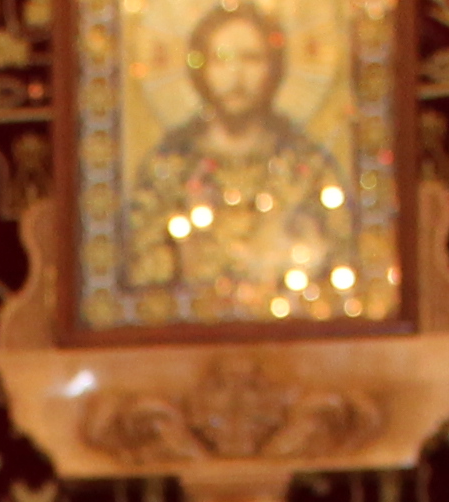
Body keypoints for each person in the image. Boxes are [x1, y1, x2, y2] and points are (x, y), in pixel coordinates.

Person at [129, 4, 340, 310]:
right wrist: (182, 258)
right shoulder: (169, 166)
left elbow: (338, 258)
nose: (236, 74)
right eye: (221, 59)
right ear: (200, 68)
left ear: (275, 67)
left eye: (251, 59)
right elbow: (139, 266)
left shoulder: (307, 165)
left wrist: (297, 251)